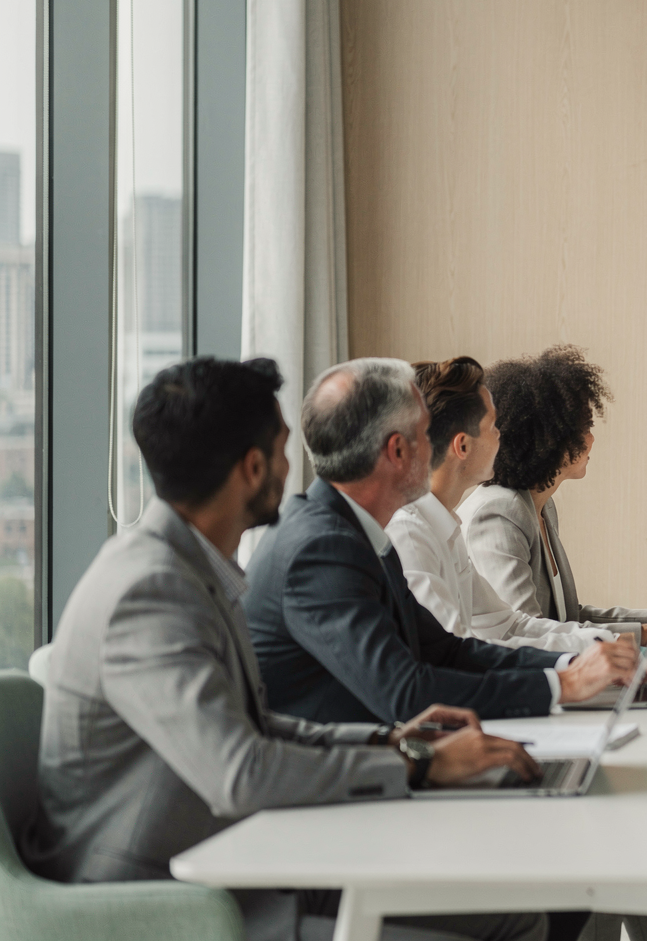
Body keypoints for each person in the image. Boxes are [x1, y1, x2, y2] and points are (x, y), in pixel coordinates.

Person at [23, 356, 548, 941]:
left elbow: (255, 727)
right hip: (164, 896)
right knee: (506, 920)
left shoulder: (189, 571)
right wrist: (415, 764)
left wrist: (393, 741)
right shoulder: (148, 592)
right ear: (251, 467)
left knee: (516, 913)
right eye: (280, 448)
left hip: (238, 855)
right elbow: (241, 771)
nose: (292, 464)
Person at [246, 358, 639, 725]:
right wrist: (565, 684)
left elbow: (446, 649)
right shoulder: (323, 548)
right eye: (425, 432)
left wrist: (572, 664)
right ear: (398, 450)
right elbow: (406, 691)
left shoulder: (357, 532)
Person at [389, 358, 647, 671]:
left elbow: (510, 626)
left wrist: (614, 646)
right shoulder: (415, 534)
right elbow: (458, 654)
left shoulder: (445, 528)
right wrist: (573, 677)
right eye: (493, 427)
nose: (501, 436)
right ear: (462, 445)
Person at [459, 345, 647, 648]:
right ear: (550, 440)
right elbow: (526, 633)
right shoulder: (498, 514)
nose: (592, 438)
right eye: (584, 427)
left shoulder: (539, 506)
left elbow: (566, 618)